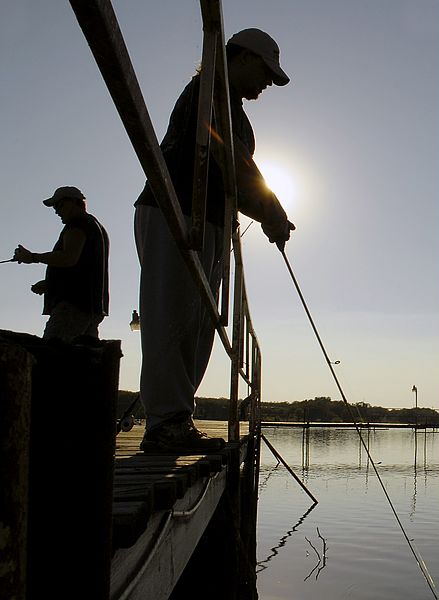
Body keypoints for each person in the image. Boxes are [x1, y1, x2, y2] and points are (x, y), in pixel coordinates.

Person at [134, 28, 295, 453]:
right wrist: (273, 213)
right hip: (178, 212)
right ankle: (166, 423)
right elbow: (234, 163)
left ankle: (174, 419)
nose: (267, 84)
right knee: (170, 317)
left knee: (197, 323)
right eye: (265, 72)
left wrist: (266, 212)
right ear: (240, 57)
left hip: (205, 219)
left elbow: (236, 171)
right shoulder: (211, 92)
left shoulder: (230, 105)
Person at [13, 186, 109, 343]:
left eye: (60, 205)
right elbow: (81, 268)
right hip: (91, 307)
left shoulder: (78, 224)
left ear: (74, 202)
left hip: (73, 307)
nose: (57, 211)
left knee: (52, 357)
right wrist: (50, 284)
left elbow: (68, 257)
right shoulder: (94, 226)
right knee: (81, 361)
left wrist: (32, 257)